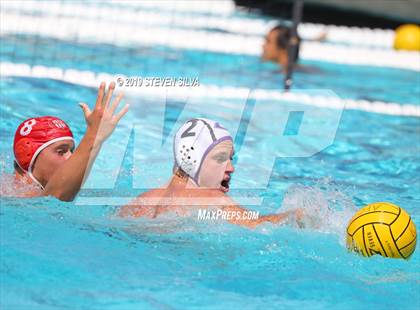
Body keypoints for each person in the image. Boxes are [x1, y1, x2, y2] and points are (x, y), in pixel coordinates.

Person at [120, 118, 302, 228]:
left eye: (231, 158)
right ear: (192, 160)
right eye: (221, 158)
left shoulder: (142, 201)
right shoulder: (213, 199)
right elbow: (257, 225)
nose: (231, 168)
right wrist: (294, 216)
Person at [3, 81, 129, 201]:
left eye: (72, 151)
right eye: (61, 151)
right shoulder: (9, 196)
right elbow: (56, 197)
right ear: (27, 154)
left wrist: (97, 137)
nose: (71, 157)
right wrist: (94, 135)